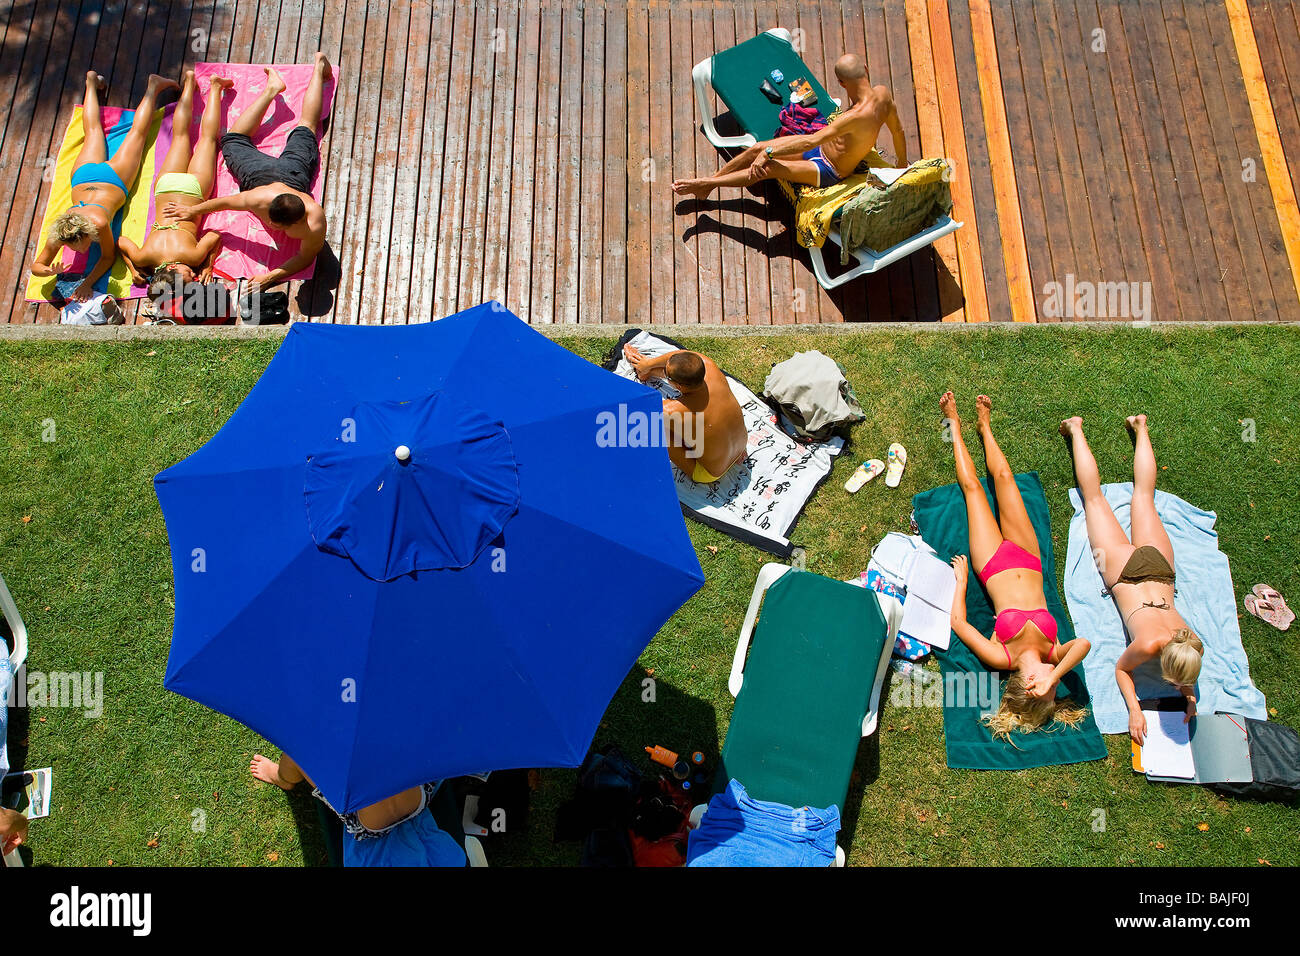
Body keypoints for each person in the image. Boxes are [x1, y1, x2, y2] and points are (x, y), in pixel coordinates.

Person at [941, 391, 1092, 741]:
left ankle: (955, 424)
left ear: (1031, 685)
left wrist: (962, 582)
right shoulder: (1054, 651)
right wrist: (1054, 676)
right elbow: (1083, 644)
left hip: (992, 563)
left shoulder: (1002, 658)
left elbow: (959, 624)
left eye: (1050, 689)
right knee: (1006, 478)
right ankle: (985, 427)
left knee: (973, 490)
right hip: (1028, 555)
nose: (1056, 682)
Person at [1060, 414, 1203, 745]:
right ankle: (1077, 429)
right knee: (1093, 498)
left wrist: (1190, 695)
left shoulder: (1191, 640)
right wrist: (1135, 709)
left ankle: (1140, 427)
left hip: (1161, 567)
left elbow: (1186, 671)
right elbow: (1122, 670)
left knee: (1143, 495)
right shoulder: (1148, 645)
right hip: (1124, 572)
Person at [164, 53, 332, 291]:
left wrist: (270, 276)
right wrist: (191, 210)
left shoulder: (315, 221)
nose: (271, 226)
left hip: (292, 176)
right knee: (300, 127)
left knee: (299, 127)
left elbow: (306, 258)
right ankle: (301, 75)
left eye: (275, 225)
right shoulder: (261, 197)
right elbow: (223, 203)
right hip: (267, 175)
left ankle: (314, 69)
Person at [671, 54, 907, 201]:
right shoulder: (884, 95)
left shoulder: (853, 117)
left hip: (828, 168)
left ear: (841, 83)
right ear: (866, 68)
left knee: (768, 168)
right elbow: (898, 132)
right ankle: (709, 185)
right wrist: (901, 165)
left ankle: (706, 183)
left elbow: (810, 141)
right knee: (757, 148)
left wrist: (770, 153)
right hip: (821, 148)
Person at [30, 71, 180, 301]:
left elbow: (107, 258)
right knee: (92, 132)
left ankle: (154, 87)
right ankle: (90, 82)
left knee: (138, 134)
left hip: (113, 179)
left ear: (88, 232)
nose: (80, 252)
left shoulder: (99, 223)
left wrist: (87, 284)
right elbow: (36, 266)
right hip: (83, 176)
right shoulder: (61, 231)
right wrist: (48, 271)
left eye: (82, 246)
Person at [118, 70, 232, 289]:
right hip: (166, 187)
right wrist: (133, 268)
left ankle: (216, 87)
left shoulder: (193, 257)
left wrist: (208, 265)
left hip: (193, 191)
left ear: (170, 269)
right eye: (194, 275)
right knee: (180, 136)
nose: (193, 273)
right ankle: (189, 83)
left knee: (208, 140)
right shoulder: (143, 258)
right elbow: (121, 242)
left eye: (187, 274)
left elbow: (215, 236)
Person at [250, 751, 465, 867]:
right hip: (419, 796)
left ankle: (281, 777)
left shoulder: (342, 752)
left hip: (369, 823)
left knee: (297, 756)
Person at [623, 345, 747, 484]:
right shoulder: (709, 366)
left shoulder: (671, 411)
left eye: (666, 375)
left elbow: (634, 415)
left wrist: (643, 370)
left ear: (679, 386)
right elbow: (683, 354)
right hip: (741, 446)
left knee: (656, 430)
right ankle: (649, 370)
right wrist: (647, 364)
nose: (664, 373)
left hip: (710, 472)